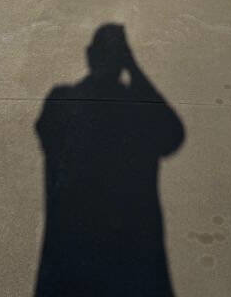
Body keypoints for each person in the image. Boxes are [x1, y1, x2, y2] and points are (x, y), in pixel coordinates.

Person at [34, 25, 185, 296]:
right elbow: (173, 135)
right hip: (132, 248)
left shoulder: (61, 100)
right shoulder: (136, 110)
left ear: (89, 54)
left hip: (70, 249)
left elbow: (45, 131)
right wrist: (134, 70)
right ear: (123, 60)